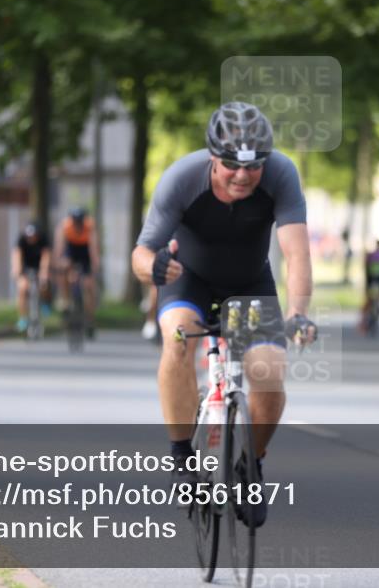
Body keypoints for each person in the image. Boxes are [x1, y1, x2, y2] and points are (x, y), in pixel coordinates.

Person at [131, 101, 317, 527]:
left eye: (253, 167)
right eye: (231, 164)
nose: (243, 175)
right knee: (178, 336)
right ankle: (181, 455)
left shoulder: (282, 174)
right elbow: (141, 254)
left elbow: (296, 253)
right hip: (187, 278)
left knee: (269, 373)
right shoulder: (181, 178)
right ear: (213, 157)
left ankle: (249, 465)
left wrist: (298, 313)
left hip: (249, 284)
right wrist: (153, 268)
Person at [56, 207, 100, 337]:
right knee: (65, 268)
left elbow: (94, 248)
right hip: (71, 250)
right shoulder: (65, 226)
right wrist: (59, 262)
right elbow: (60, 247)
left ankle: (90, 318)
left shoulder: (90, 226)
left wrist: (95, 265)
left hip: (85, 251)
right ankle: (65, 301)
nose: (77, 225)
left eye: (79, 222)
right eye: (75, 222)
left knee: (89, 285)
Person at [13, 221, 51, 332]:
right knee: (22, 289)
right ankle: (23, 318)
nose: (31, 239)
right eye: (29, 236)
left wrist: (44, 273)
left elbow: (46, 257)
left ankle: (45, 302)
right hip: (26, 265)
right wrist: (18, 272)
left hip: (39, 265)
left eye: (33, 236)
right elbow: (17, 256)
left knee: (44, 284)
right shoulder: (21, 240)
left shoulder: (43, 240)